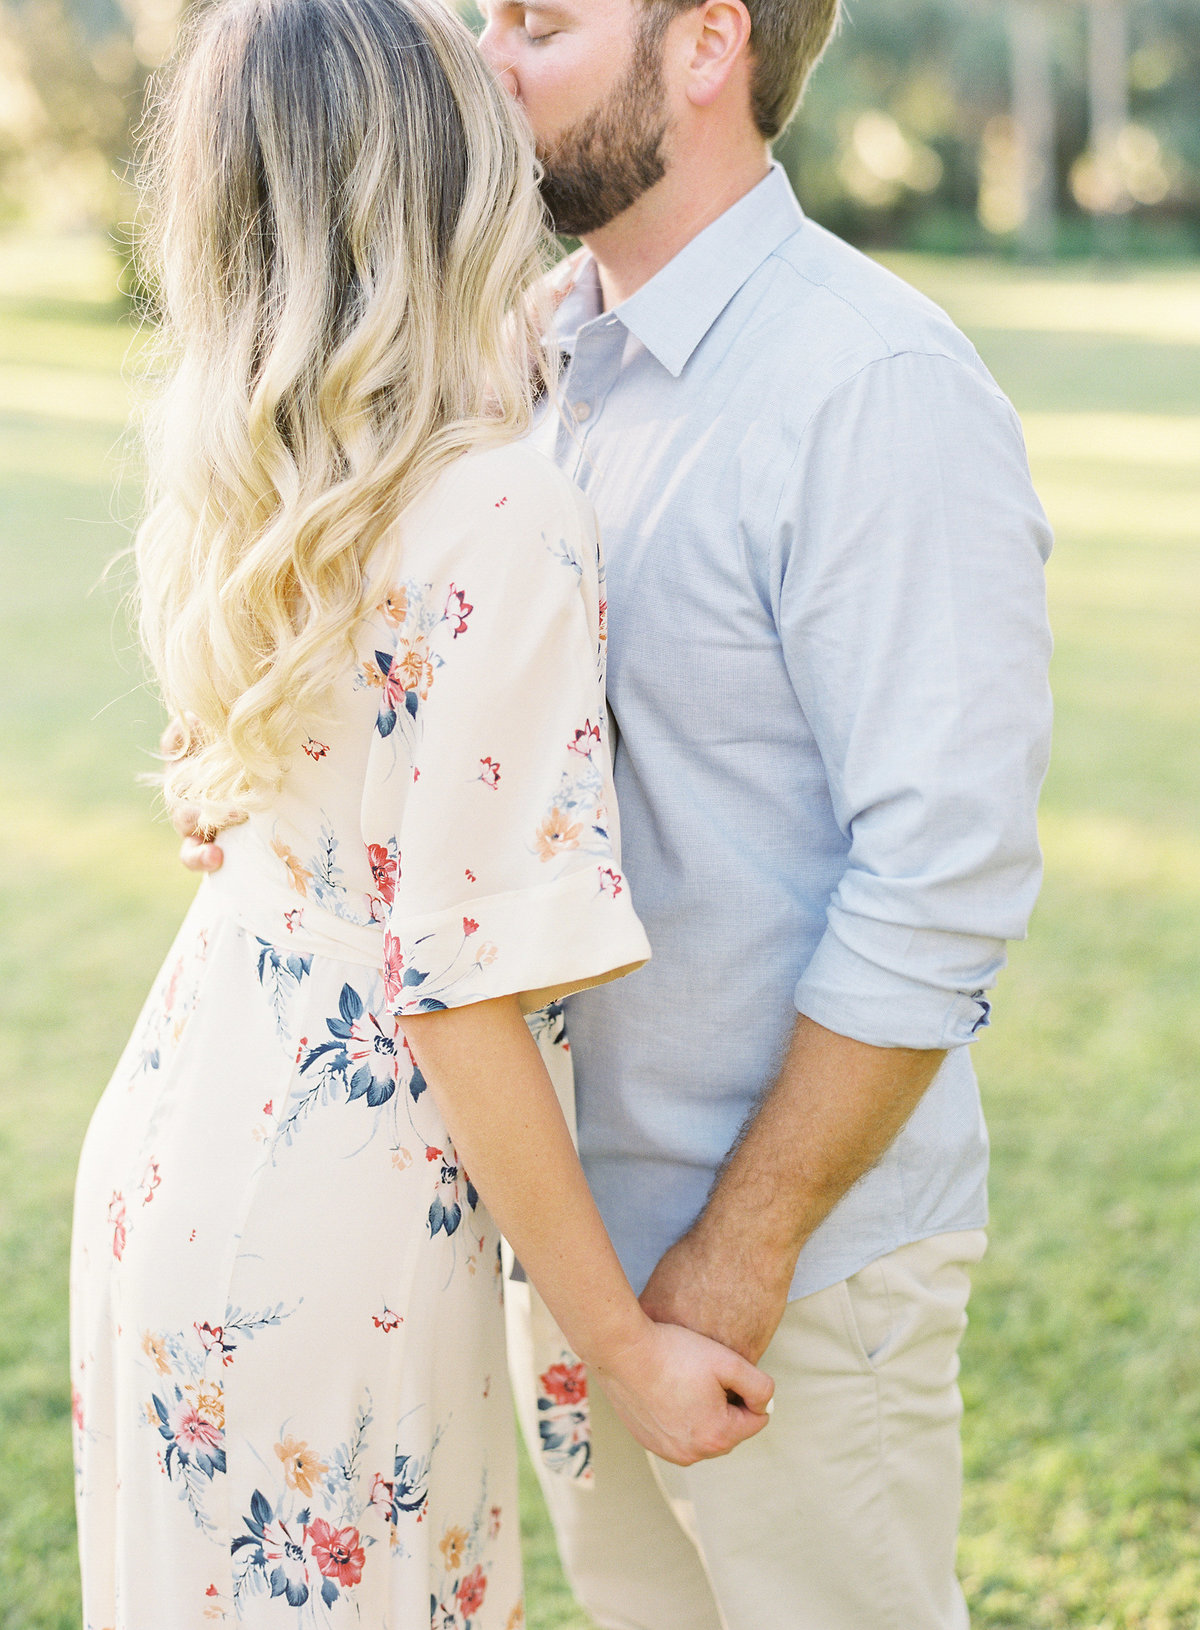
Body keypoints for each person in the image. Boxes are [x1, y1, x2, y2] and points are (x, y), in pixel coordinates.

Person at [179, 2, 1054, 1628]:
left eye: (541, 24)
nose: (485, 61)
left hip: (785, 1268)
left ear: (707, 44)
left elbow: (945, 868)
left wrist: (747, 1243)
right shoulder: (511, 357)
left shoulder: (876, 388)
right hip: (554, 1236)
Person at [67, 1, 775, 1625]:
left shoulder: (261, 458)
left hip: (183, 1133)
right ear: (447, 177)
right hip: (342, 1206)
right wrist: (631, 1348)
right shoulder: (504, 512)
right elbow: (460, 994)